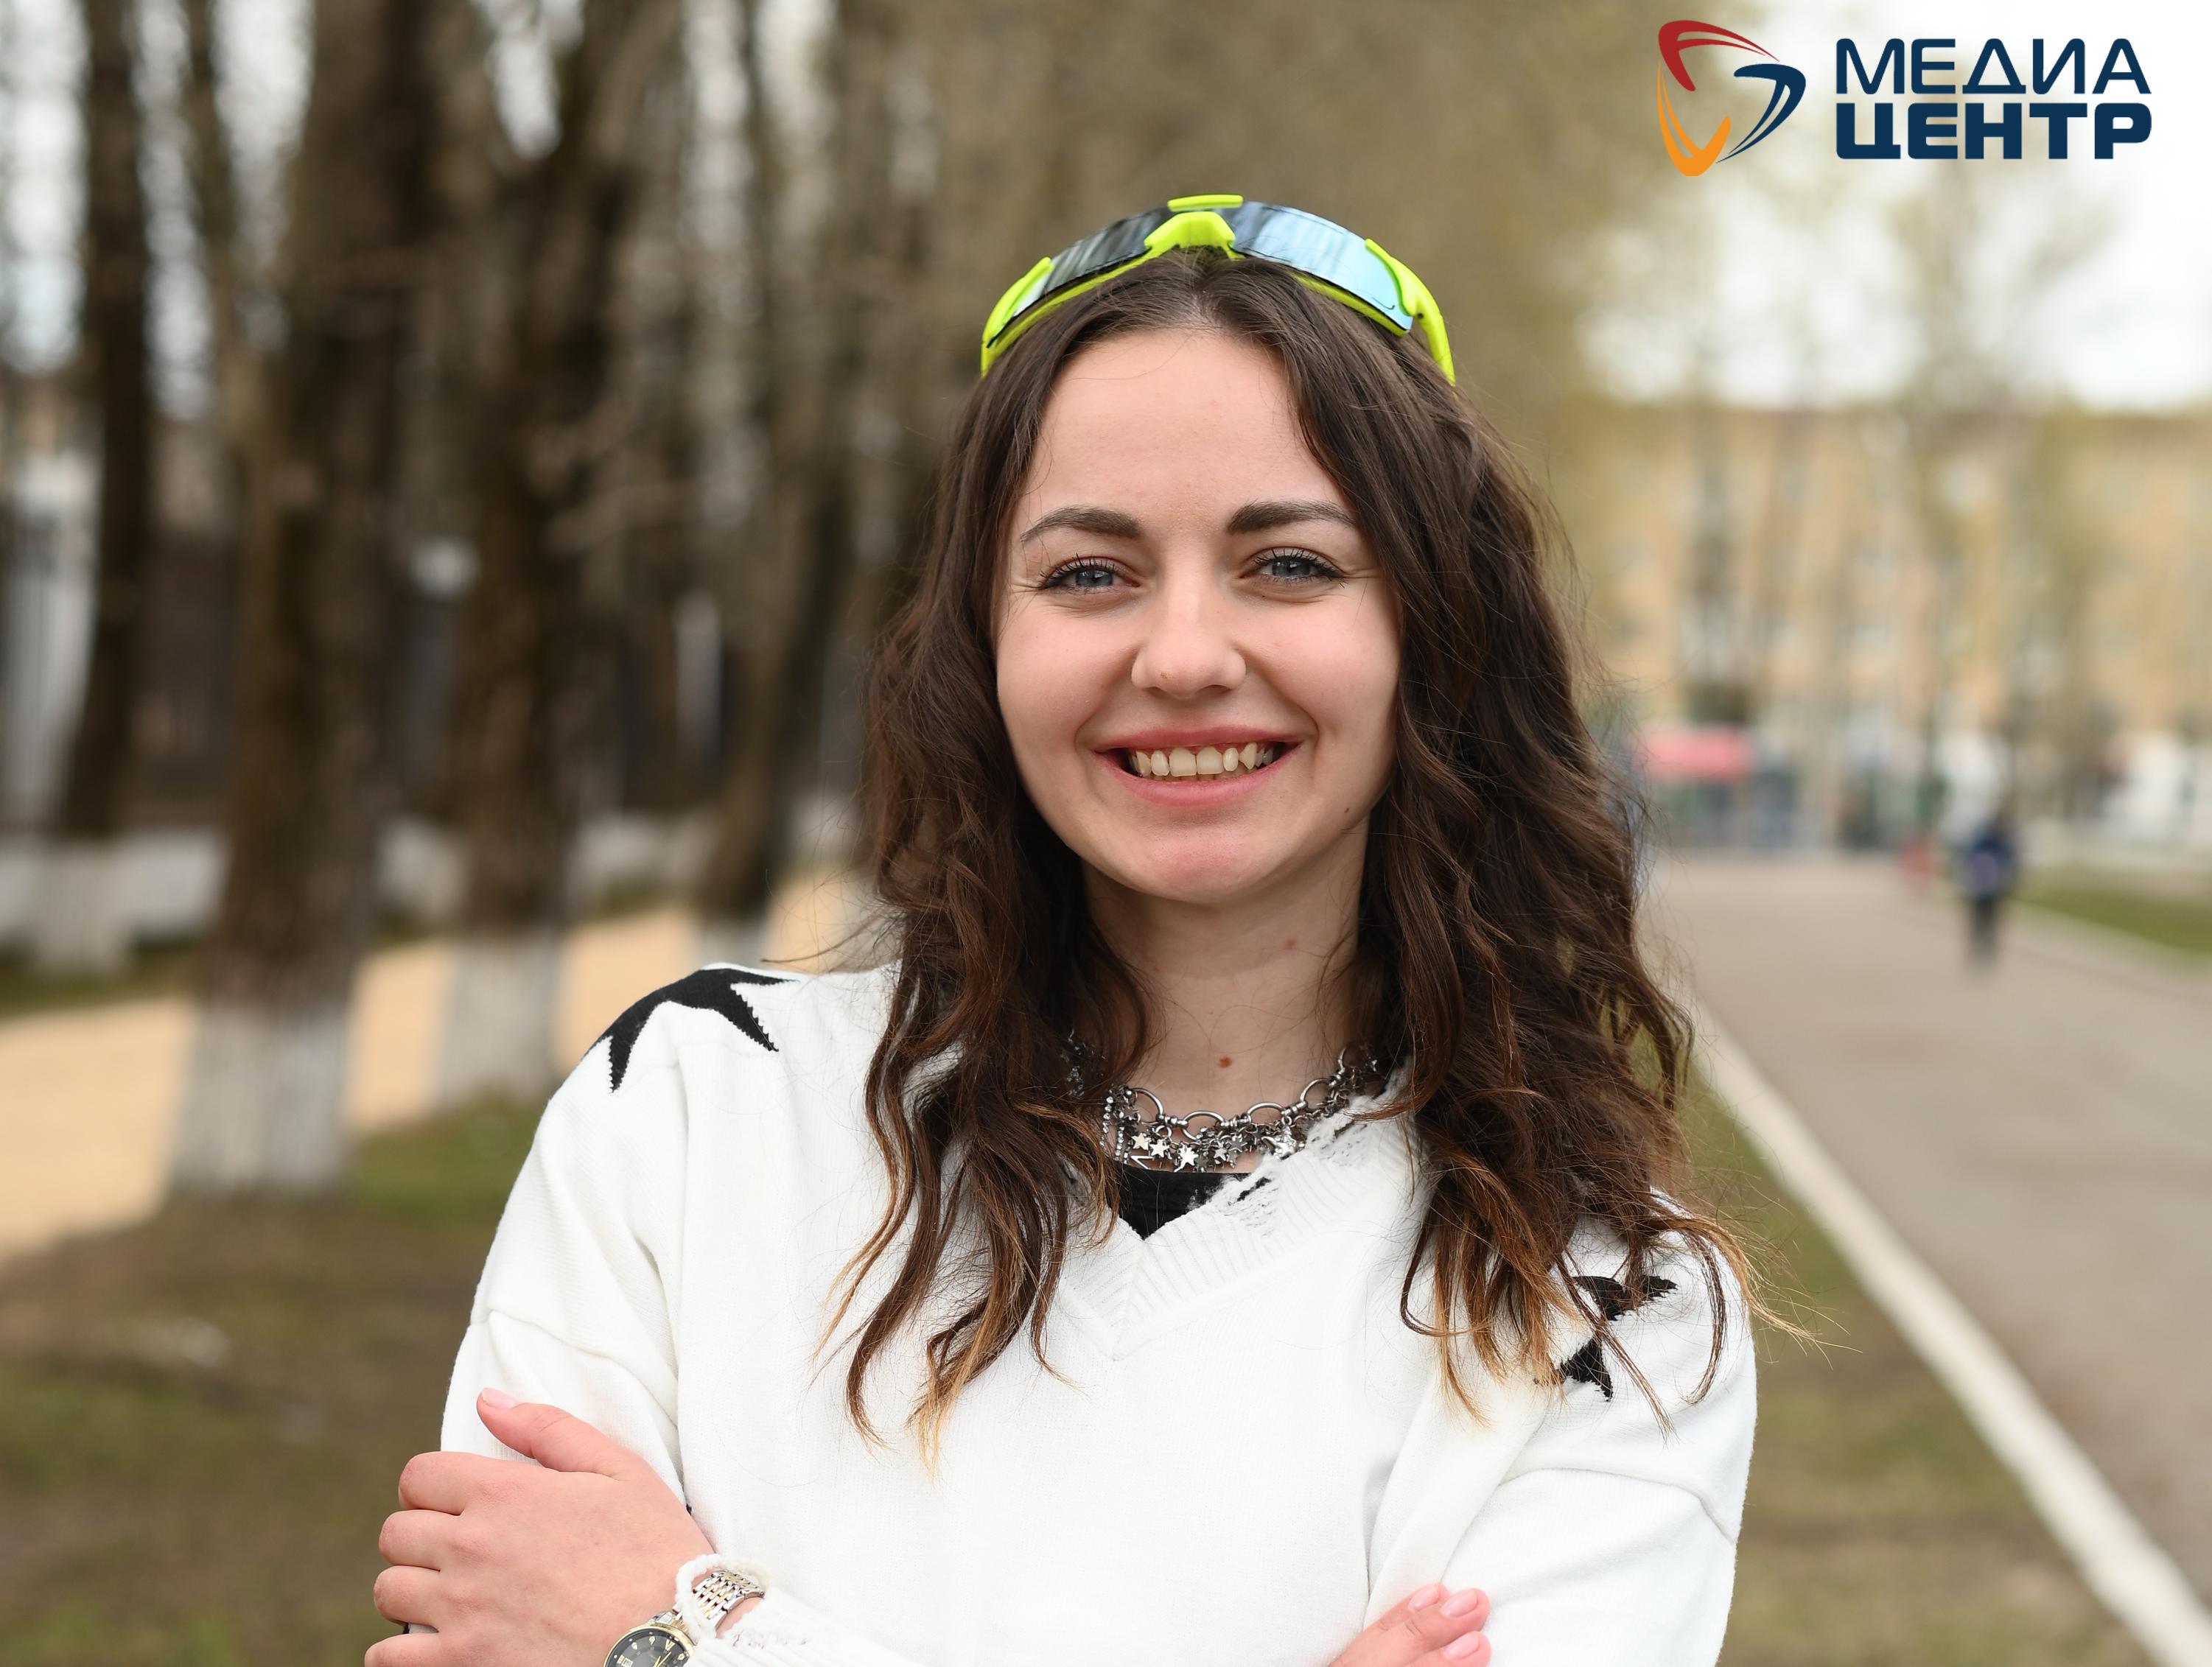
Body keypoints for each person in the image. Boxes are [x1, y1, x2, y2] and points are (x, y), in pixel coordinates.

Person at [367, 196, 1759, 1667]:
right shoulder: (694, 1108)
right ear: (985, 639)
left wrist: (685, 1629)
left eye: (1288, 564)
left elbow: (588, 1633)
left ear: (1435, 630)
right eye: (1090, 573)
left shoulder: (1605, 1308)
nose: (1183, 655)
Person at [1957, 803, 2021, 966]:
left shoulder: (2003, 839)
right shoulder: (1986, 837)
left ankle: (1985, 945)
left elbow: (2010, 861)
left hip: (1993, 885)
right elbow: (1972, 856)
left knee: (1990, 917)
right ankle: (1978, 944)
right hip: (1982, 884)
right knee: (1980, 916)